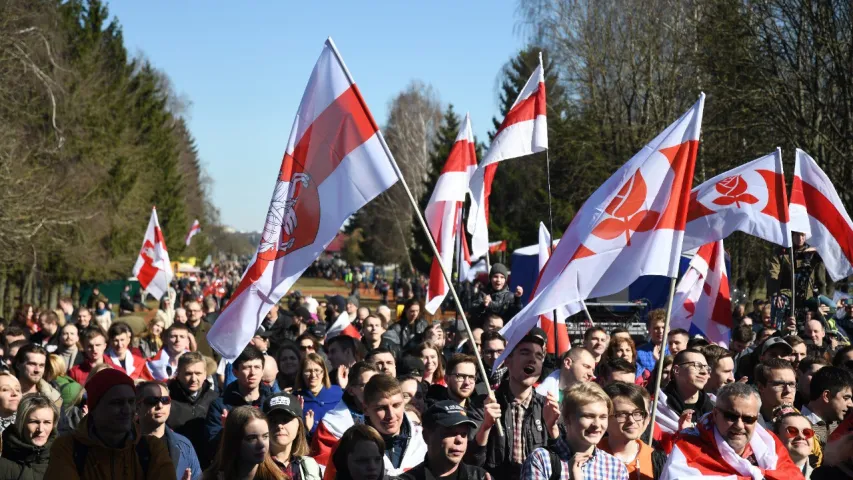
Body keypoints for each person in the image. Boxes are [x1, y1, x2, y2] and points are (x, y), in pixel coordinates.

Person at [44, 368, 175, 479]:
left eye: (131, 402)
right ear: (94, 408)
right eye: (117, 403)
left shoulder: (151, 449)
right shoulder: (68, 448)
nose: (127, 410)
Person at [661, 382, 802, 480]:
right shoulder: (688, 445)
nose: (739, 425)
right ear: (715, 414)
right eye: (731, 416)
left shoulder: (769, 444)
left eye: (748, 419)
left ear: (756, 418)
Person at [475, 327, 560, 480]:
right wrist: (486, 426)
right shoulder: (485, 404)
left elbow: (563, 463)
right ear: (507, 360)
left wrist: (553, 428)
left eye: (539, 355)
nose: (532, 359)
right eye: (525, 353)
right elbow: (472, 461)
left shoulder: (548, 407)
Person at [521, 382, 628, 480]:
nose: (597, 424)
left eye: (603, 417)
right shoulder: (542, 460)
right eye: (588, 416)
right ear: (567, 418)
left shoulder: (615, 468)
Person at [206, 345, 274, 456]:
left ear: (262, 371)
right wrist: (227, 431)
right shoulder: (220, 405)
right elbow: (212, 444)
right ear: (235, 372)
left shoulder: (271, 403)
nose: (252, 373)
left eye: (257, 367)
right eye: (247, 367)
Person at [311, 361, 378, 472]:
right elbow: (324, 468)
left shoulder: (391, 415)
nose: (373, 390)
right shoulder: (330, 425)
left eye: (376, 384)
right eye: (366, 385)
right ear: (351, 390)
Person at [399, 401, 487, 480]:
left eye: (464, 434)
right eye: (451, 433)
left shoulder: (480, 477)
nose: (459, 440)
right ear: (426, 436)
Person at [599, 382, 666, 480]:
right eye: (622, 414)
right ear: (605, 418)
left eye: (637, 413)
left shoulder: (655, 458)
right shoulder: (591, 455)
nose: (631, 420)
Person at [137, 381, 201, 480]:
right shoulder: (124, 445)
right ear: (138, 407)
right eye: (152, 400)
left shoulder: (184, 445)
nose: (160, 406)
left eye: (165, 400)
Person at [202, 405, 284, 480]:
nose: (261, 445)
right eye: (252, 438)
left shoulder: (278, 477)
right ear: (234, 441)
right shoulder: (212, 477)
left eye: (265, 436)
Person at [168, 352, 219, 468]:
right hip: (176, 462)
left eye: (198, 373)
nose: (193, 379)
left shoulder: (215, 399)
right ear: (178, 373)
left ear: (205, 374)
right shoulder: (166, 400)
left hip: (207, 464)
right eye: (188, 373)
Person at [263, 392, 321, 480]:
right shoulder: (252, 467)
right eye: (273, 420)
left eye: (285, 420)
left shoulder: (310, 467)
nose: (279, 425)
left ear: (299, 426)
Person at [0, 393, 58, 480]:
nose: (41, 429)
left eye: (47, 422)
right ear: (21, 423)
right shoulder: (3, 465)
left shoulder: (63, 461)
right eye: (34, 422)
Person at [655, 349, 713, 434]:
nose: (704, 372)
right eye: (697, 365)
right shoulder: (655, 407)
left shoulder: (715, 409)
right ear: (677, 370)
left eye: (707, 368)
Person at [801, 366, 853, 447]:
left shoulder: (843, 425)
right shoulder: (797, 426)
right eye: (846, 398)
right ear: (826, 396)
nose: (850, 404)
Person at [295, 352, 343, 438]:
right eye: (308, 371)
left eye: (317, 370)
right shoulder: (295, 397)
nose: (313, 375)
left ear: (323, 372)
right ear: (302, 373)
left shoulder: (338, 393)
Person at [425, 354, 484, 422]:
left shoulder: (478, 408)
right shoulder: (433, 408)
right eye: (460, 376)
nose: (467, 382)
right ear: (446, 379)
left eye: (471, 377)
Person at [12, 344, 62, 409]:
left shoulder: (54, 398)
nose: (37, 370)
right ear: (18, 365)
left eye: (41, 365)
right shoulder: (6, 395)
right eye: (32, 364)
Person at [755, 358, 798, 429]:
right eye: (779, 384)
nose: (788, 390)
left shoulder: (807, 425)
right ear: (760, 387)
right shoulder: (748, 424)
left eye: (791, 384)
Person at [773, 413, 816, 478]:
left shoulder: (820, 477)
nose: (801, 436)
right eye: (792, 431)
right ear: (776, 437)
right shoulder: (761, 473)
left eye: (807, 432)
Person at [636, 309, 667, 377]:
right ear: (649, 329)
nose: (661, 331)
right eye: (656, 328)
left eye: (663, 327)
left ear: (669, 328)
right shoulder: (638, 353)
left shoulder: (674, 350)